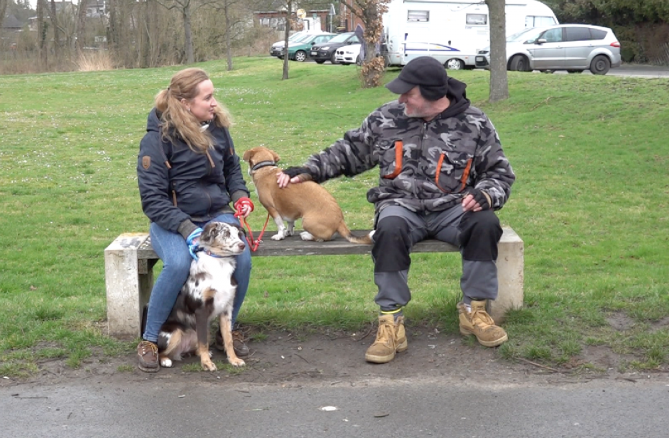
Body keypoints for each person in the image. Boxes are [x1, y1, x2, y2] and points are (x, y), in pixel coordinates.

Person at [277, 56, 516, 364]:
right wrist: (309, 169)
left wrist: (486, 194)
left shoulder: (475, 123)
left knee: (485, 223)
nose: (400, 98)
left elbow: (499, 173)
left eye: (409, 92)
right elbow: (350, 151)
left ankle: (475, 310)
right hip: (399, 206)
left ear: (432, 95)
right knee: (388, 229)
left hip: (453, 208)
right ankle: (391, 322)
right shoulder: (386, 118)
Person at [135, 67, 255, 373]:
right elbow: (153, 201)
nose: (214, 103)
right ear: (186, 103)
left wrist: (240, 195)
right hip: (173, 220)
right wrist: (187, 230)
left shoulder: (216, 127)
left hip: (217, 214)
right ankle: (150, 340)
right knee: (177, 264)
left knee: (242, 261)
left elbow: (232, 170)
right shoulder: (156, 139)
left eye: (213, 95)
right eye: (208, 97)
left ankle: (226, 333)